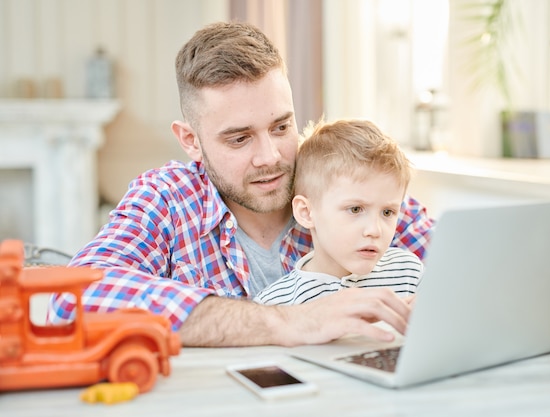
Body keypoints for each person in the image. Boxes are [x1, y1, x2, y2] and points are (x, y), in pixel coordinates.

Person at [47, 21, 434, 347]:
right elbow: (71, 300)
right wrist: (287, 322)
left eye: (281, 127)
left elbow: (463, 268)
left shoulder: (338, 177)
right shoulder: (165, 199)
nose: (270, 156)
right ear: (190, 141)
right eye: (239, 138)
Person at [255, 119, 423, 305]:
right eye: (355, 209)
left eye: (387, 212)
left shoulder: (409, 273)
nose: (375, 231)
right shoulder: (276, 305)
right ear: (306, 212)